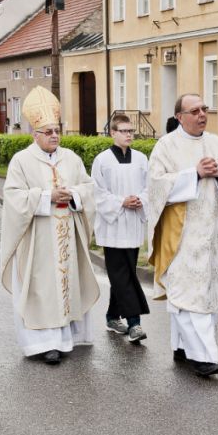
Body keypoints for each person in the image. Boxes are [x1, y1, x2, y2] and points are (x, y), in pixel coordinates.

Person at [0, 86, 100, 365]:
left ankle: (69, 336)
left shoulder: (72, 158)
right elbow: (13, 197)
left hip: (68, 235)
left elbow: (89, 188)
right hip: (39, 238)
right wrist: (46, 197)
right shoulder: (21, 161)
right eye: (48, 131)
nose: (54, 135)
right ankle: (45, 344)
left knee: (67, 283)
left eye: (57, 130)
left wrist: (74, 195)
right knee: (42, 289)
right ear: (35, 134)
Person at [146, 93, 218, 377]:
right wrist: (195, 174)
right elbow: (155, 185)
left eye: (204, 109)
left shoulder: (216, 143)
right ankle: (203, 357)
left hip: (212, 234)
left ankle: (181, 347)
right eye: (195, 111)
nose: (202, 115)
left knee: (206, 294)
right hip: (182, 236)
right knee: (187, 294)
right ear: (180, 117)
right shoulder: (166, 146)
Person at [91, 113, 150, 342]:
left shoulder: (141, 159)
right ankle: (134, 323)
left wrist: (140, 200)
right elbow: (97, 192)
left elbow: (150, 187)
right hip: (113, 227)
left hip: (133, 225)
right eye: (124, 131)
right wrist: (121, 202)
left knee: (125, 274)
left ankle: (112, 316)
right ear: (113, 133)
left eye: (131, 131)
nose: (129, 135)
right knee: (122, 275)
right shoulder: (102, 160)